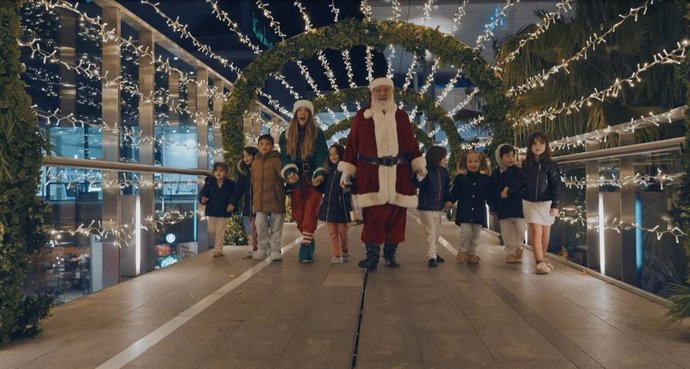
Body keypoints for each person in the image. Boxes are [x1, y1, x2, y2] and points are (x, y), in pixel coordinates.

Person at [338, 77, 426, 271]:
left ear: (392, 93)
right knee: (373, 217)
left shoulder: (401, 116)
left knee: (396, 217)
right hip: (370, 176)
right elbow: (352, 146)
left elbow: (411, 144)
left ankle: (390, 254)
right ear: (372, 94)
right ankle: (372, 256)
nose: (383, 94)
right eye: (378, 90)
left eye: (386, 90)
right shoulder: (362, 116)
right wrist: (346, 172)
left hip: (399, 175)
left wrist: (418, 164)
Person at [279, 99, 328, 263]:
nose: (302, 113)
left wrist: (320, 172)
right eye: (299, 110)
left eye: (306, 110)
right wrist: (290, 172)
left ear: (310, 114)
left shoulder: (318, 133)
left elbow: (322, 156)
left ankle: (305, 247)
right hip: (296, 180)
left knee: (310, 213)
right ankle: (309, 237)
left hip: (314, 179)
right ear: (295, 114)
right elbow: (285, 157)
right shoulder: (285, 135)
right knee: (298, 216)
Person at [522, 131, 561, 274]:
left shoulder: (551, 164)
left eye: (541, 143)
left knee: (545, 233)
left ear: (546, 145)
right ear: (529, 146)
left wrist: (555, 204)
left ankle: (543, 258)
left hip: (546, 203)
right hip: (529, 202)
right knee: (535, 231)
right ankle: (538, 262)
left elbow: (556, 185)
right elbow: (521, 181)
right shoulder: (526, 164)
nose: (537, 146)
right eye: (534, 143)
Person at [415, 146, 454, 267]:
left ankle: (435, 253)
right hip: (426, 206)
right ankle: (431, 256)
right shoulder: (425, 170)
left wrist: (448, 200)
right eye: (443, 157)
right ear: (437, 157)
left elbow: (446, 188)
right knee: (431, 232)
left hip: (438, 207)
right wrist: (420, 175)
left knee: (436, 232)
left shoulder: (444, 172)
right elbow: (417, 184)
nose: (445, 160)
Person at [489, 144, 527, 263]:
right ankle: (510, 253)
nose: (511, 158)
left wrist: (508, 190)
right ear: (500, 157)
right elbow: (492, 191)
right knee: (507, 232)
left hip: (517, 207)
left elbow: (520, 184)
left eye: (512, 156)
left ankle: (518, 247)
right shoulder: (495, 173)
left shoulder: (518, 171)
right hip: (503, 208)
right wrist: (492, 206)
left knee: (521, 229)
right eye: (507, 156)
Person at [451, 151, 491, 264]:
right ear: (465, 163)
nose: (473, 164)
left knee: (476, 234)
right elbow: (455, 192)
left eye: (476, 161)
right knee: (466, 232)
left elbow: (489, 194)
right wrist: (450, 201)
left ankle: (471, 253)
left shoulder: (485, 179)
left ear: (480, 163)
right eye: (470, 161)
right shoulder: (460, 178)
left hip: (479, 211)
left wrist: (493, 207)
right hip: (465, 211)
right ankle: (462, 252)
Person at [251, 134, 286, 261]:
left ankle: (275, 249)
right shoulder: (255, 163)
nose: (264, 146)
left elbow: (283, 176)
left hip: (275, 197)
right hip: (259, 199)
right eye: (262, 144)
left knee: (276, 224)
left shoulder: (277, 160)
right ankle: (262, 248)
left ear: (272, 146)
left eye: (267, 144)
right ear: (258, 145)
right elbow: (252, 182)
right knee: (260, 224)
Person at [317, 144, 350, 264]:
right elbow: (322, 188)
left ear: (341, 154)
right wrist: (317, 182)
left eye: (336, 153)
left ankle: (345, 250)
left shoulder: (346, 170)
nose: (333, 156)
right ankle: (337, 254)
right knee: (332, 233)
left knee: (342, 232)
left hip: (342, 206)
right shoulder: (327, 170)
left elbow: (352, 185)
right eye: (330, 154)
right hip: (329, 205)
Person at [198, 162, 235, 257]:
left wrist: (232, 205)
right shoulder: (209, 183)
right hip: (212, 211)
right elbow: (202, 193)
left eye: (221, 171)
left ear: (226, 173)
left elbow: (234, 197)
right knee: (211, 230)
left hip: (223, 211)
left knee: (220, 231)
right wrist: (203, 199)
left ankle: (218, 249)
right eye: (216, 170)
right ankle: (218, 246)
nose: (218, 173)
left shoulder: (230, 184)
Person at [229, 146, 259, 259]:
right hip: (248, 203)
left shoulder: (260, 169)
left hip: (259, 203)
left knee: (257, 226)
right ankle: (254, 247)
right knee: (250, 227)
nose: (246, 158)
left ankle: (259, 247)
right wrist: (232, 202)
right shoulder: (243, 171)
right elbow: (239, 189)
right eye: (244, 156)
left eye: (249, 155)